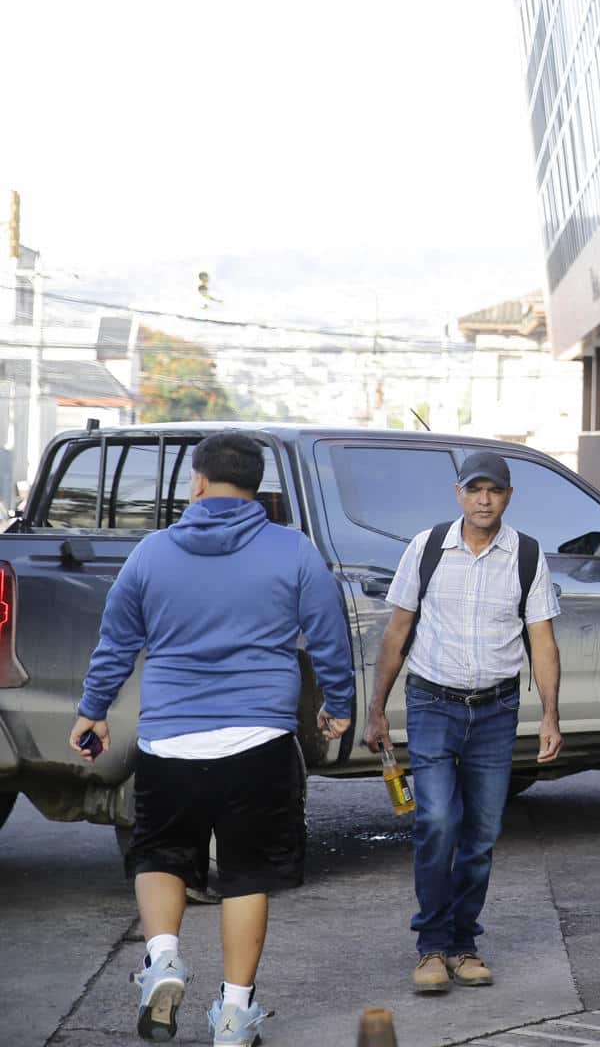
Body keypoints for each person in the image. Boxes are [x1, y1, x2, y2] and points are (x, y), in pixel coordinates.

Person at [70, 431, 355, 1045]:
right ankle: (234, 1015)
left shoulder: (151, 552)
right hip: (259, 741)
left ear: (197, 482)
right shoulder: (293, 550)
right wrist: (338, 704)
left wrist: (93, 710)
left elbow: (117, 641)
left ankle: (164, 959)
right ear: (257, 485)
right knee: (246, 877)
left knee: (159, 857)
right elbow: (329, 635)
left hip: (169, 742)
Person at [363, 451, 563, 995]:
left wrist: (550, 714)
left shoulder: (526, 555)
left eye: (493, 491)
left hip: (496, 711)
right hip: (432, 704)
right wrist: (377, 709)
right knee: (437, 821)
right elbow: (396, 632)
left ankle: (462, 943)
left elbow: (542, 640)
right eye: (474, 490)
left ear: (508, 496)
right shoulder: (427, 548)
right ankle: (431, 946)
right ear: (459, 494)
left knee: (481, 833)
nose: (484, 500)